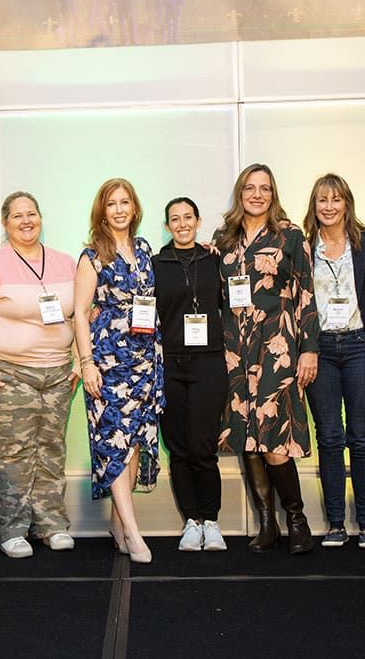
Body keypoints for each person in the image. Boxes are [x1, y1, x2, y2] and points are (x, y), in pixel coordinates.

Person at [0, 192, 78, 559]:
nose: (26, 221)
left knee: (52, 450)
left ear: (40, 217)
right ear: (5, 223)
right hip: (10, 374)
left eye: (32, 213)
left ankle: (52, 525)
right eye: (17, 216)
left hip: (58, 373)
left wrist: (79, 362)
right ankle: (12, 530)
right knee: (15, 453)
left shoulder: (65, 262)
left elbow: (80, 316)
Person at [213, 163, 319, 555]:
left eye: (265, 189)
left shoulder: (290, 236)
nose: (257, 195)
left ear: (273, 195)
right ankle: (267, 524)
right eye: (250, 188)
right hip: (234, 349)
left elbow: (306, 294)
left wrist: (309, 349)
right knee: (248, 436)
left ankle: (297, 521)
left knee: (275, 436)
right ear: (240, 194)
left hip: (276, 345)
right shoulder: (224, 240)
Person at [74, 178, 164, 564]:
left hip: (145, 359)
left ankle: (118, 526)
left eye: (125, 202)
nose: (119, 209)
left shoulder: (143, 249)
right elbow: (80, 314)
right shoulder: (92, 255)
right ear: (102, 211)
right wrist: (87, 364)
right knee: (114, 444)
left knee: (133, 443)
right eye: (112, 204)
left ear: (135, 207)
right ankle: (134, 531)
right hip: (108, 362)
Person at [301, 174, 365, 550]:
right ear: (314, 205)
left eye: (336, 199)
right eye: (322, 200)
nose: (329, 206)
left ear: (347, 203)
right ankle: (336, 523)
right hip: (320, 350)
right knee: (330, 437)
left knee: (361, 437)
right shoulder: (304, 248)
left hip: (359, 345)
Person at [151, 197, 227, 552]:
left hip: (208, 362)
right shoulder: (156, 264)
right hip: (169, 363)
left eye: (187, 217)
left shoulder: (214, 260)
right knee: (178, 449)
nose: (182, 224)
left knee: (203, 447)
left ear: (198, 221)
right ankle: (191, 522)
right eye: (175, 219)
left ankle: (211, 521)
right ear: (167, 226)